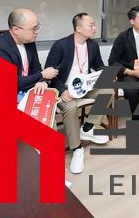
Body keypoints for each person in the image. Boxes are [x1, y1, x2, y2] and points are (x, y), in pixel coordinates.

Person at [45, 13, 114, 174]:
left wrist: (109, 74)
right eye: (91, 25)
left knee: (108, 90)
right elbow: (49, 73)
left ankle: (87, 127)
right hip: (64, 87)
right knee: (70, 107)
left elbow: (99, 66)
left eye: (94, 25)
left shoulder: (93, 45)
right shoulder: (61, 45)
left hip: (85, 86)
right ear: (79, 28)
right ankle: (77, 148)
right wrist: (62, 90)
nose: (95, 28)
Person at [0, 8, 59, 120]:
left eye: (37, 27)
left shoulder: (29, 42)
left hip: (21, 92)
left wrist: (41, 82)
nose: (37, 32)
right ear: (16, 30)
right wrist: (42, 75)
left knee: (48, 109)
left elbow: (36, 67)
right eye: (33, 29)